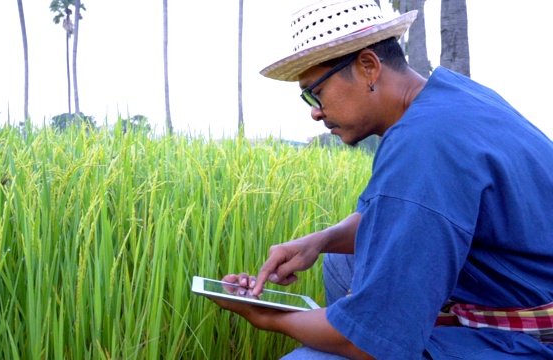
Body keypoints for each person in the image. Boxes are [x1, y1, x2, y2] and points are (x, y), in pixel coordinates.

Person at [209, 0, 553, 358]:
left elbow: (369, 343)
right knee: (342, 260)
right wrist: (319, 240)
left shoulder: (424, 142)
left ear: (369, 67)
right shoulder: (452, 97)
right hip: (518, 290)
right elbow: (398, 214)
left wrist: (265, 315)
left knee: (316, 355)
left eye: (317, 91)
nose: (314, 111)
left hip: (529, 337)